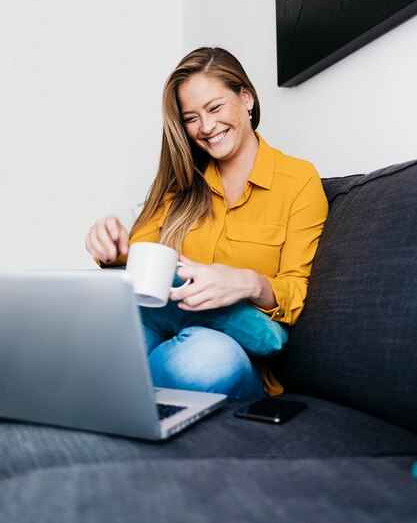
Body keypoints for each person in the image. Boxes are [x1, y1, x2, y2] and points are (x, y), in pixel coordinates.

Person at [85, 47, 328, 400]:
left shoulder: (298, 180)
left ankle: (100, 397)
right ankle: (107, 401)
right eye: (191, 117)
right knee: (98, 331)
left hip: (236, 353)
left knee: (207, 358)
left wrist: (245, 282)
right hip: (161, 331)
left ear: (246, 98)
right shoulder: (180, 186)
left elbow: (296, 290)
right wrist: (113, 247)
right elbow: (141, 264)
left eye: (215, 108)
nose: (207, 127)